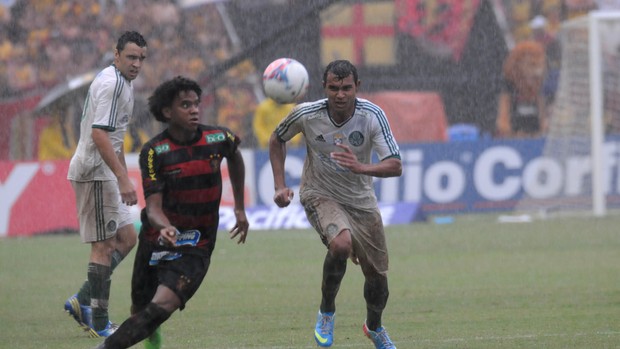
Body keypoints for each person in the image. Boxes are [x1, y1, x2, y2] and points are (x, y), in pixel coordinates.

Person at [93, 76, 249, 349]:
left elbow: (235, 155)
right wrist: (165, 227)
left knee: (161, 305)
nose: (194, 110)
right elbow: (152, 208)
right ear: (167, 112)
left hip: (196, 244)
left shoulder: (218, 138)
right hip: (156, 239)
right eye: (185, 105)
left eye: (196, 104)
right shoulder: (155, 152)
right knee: (140, 310)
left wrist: (239, 207)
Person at [269, 60, 401, 349]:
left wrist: (360, 168)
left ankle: (374, 327)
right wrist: (280, 185)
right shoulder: (306, 114)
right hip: (320, 192)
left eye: (346, 88)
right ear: (324, 87)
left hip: (362, 202)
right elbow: (277, 138)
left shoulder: (372, 115)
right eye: (333, 88)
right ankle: (326, 311)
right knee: (340, 245)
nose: (340, 95)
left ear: (357, 87)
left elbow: (395, 165)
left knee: (378, 281)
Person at [64, 30, 147, 338]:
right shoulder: (113, 84)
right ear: (116, 55)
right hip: (95, 172)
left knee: (127, 238)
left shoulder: (122, 82)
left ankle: (83, 298)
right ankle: (99, 322)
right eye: (131, 57)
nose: (137, 63)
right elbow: (100, 135)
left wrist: (124, 175)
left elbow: (115, 136)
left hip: (106, 173)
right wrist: (122, 178)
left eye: (141, 58)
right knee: (103, 246)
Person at [496, 40, 547, 138]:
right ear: (518, 66)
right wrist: (516, 137)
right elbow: (502, 124)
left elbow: (543, 123)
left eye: (540, 66)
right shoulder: (507, 90)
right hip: (513, 144)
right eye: (532, 65)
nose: (537, 72)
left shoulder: (538, 92)